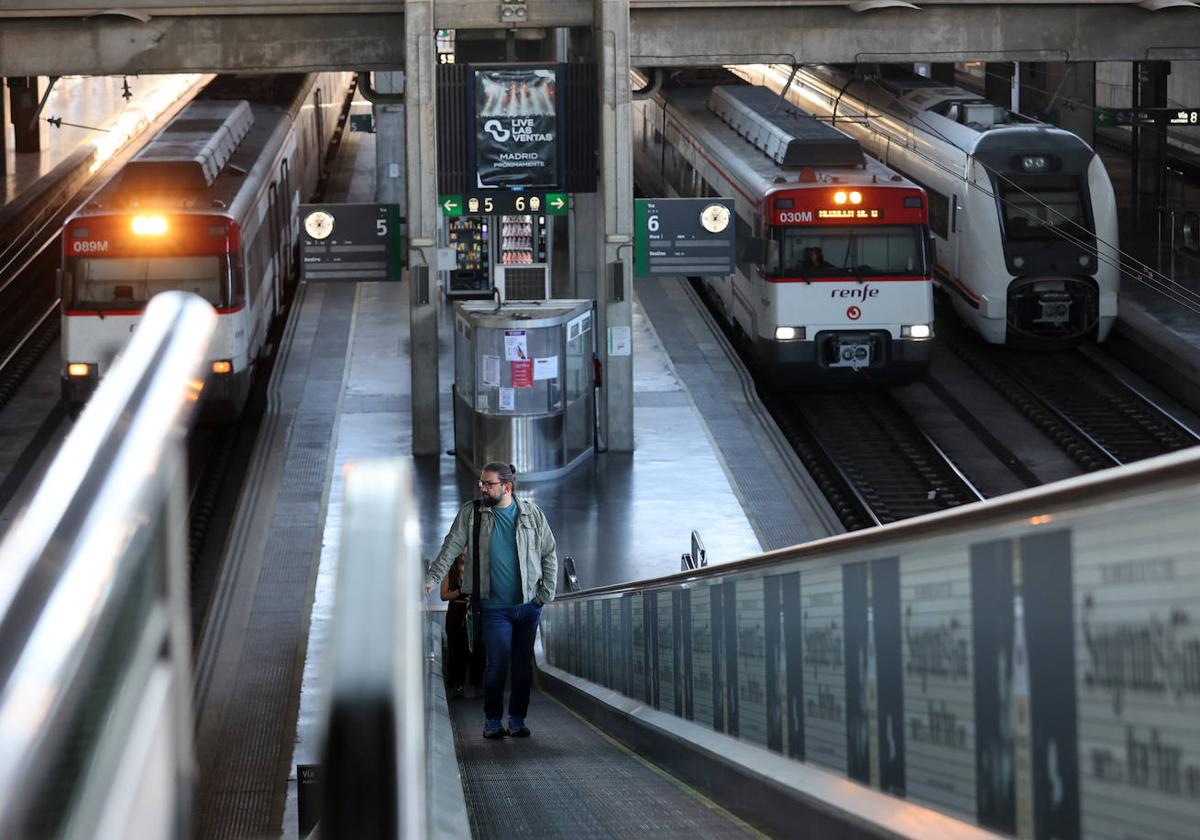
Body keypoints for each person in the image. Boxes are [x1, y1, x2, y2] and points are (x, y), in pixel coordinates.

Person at [425, 462, 557, 739]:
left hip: (528, 606)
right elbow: (451, 546)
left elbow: (549, 553)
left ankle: (517, 719)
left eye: (488, 484)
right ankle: (493, 720)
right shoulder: (472, 513)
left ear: (506, 487)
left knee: (522, 667)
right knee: (496, 664)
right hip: (493, 608)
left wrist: (545, 594)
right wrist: (433, 577)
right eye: (481, 483)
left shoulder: (531, 515)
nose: (482, 487)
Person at [440, 554, 480, 697]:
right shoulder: (449, 571)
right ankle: (457, 683)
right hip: (455, 613)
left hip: (472, 612)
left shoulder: (476, 569)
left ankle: (477, 683)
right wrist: (460, 591)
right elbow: (443, 596)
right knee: (456, 649)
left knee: (476, 647)